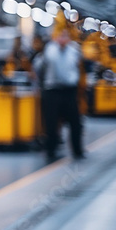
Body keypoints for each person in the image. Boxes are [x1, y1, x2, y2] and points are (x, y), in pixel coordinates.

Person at [34, 29, 84, 162]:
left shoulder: (74, 50)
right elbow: (39, 68)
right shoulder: (49, 50)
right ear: (55, 38)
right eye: (60, 36)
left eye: (65, 36)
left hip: (69, 91)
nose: (62, 39)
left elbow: (78, 67)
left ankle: (78, 150)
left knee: (76, 123)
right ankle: (51, 151)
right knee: (51, 124)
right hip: (52, 91)